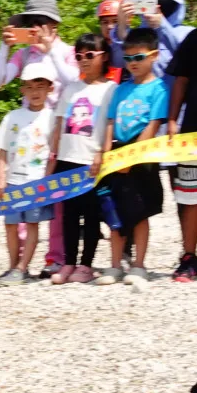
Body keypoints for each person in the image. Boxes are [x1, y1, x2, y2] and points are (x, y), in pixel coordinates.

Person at [95, 27, 170, 282]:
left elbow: (153, 124)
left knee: (140, 213)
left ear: (154, 56)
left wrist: (132, 157)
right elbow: (110, 121)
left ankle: (138, 264)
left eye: (138, 57)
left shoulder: (159, 89)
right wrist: (107, 152)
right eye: (128, 59)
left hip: (142, 156)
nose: (132, 64)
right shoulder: (120, 89)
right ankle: (115, 264)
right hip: (117, 153)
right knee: (114, 212)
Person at [48, 34, 117, 284]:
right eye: (79, 56)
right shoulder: (71, 89)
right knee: (68, 214)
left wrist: (102, 153)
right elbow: (58, 123)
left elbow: (109, 124)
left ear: (104, 56)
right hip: (67, 157)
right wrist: (53, 158)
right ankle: (68, 262)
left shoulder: (111, 89)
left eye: (90, 55)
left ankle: (86, 264)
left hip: (91, 160)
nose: (84, 60)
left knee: (91, 214)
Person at [0, 61, 57, 283]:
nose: (35, 92)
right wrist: (0, 178)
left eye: (40, 86)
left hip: (37, 181)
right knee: (10, 223)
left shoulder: (54, 118)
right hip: (13, 180)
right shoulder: (12, 117)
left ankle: (23, 266)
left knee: (32, 224)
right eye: (29, 87)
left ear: (50, 88)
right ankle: (12, 266)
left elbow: (54, 152)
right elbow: (3, 151)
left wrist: (47, 179)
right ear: (22, 90)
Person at [164, 14, 197, 280]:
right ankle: (189, 256)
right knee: (190, 198)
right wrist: (173, 120)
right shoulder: (194, 38)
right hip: (192, 132)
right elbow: (181, 81)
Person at [0, 0, 75, 95]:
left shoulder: (70, 52)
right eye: (30, 22)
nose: (34, 27)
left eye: (39, 21)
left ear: (54, 24)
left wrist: (50, 52)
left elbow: (74, 84)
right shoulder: (22, 55)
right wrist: (4, 47)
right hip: (29, 110)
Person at [111, 0, 191, 79]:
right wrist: (121, 27)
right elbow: (117, 61)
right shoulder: (137, 35)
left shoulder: (187, 33)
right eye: (148, 1)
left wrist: (163, 27)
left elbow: (190, 58)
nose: (156, 6)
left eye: (162, 1)